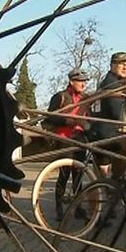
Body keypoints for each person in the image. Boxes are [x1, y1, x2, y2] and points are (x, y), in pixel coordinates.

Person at [42, 68, 91, 221]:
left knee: (79, 176)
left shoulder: (86, 99)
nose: (83, 84)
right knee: (64, 175)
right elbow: (49, 117)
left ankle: (79, 208)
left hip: (80, 139)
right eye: (80, 81)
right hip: (64, 140)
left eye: (85, 81)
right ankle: (59, 208)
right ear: (71, 81)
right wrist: (67, 121)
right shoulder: (60, 97)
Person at [91, 52, 126, 178]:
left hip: (98, 132)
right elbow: (117, 113)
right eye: (121, 64)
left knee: (103, 176)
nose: (125, 67)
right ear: (112, 65)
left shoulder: (105, 82)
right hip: (109, 134)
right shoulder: (114, 85)